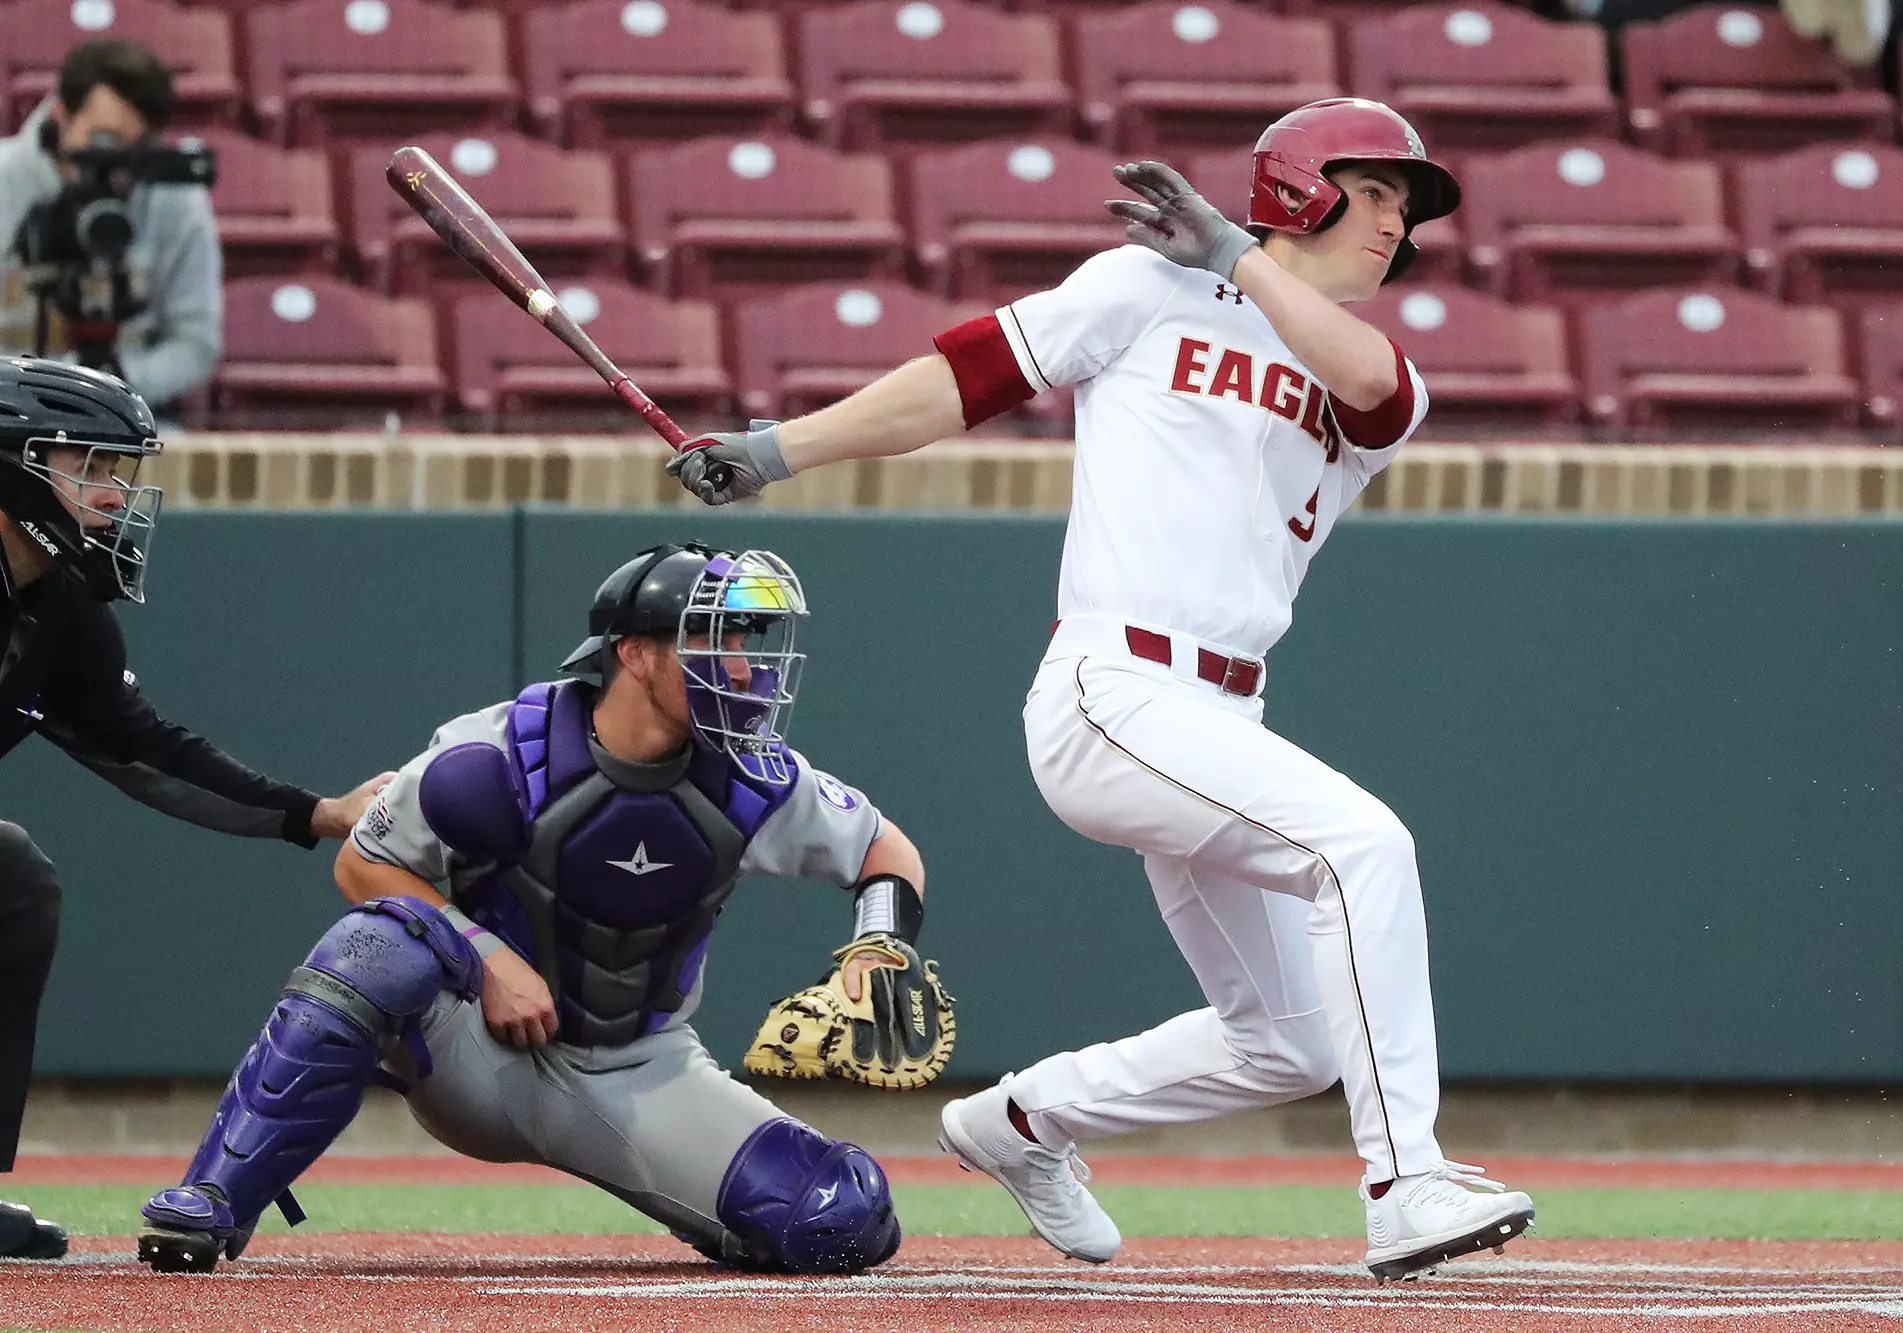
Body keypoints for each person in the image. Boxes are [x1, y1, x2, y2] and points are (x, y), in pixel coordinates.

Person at [664, 97, 1537, 1282]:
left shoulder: (1370, 373)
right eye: (1374, 190)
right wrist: (773, 451)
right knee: (1362, 846)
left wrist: (1233, 255)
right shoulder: (1137, 288)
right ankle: (1403, 1184)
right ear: (1300, 185)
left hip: (1219, 714)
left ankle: (1018, 1121)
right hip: (1114, 688)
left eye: (1402, 204)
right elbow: (954, 382)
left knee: (1286, 1041)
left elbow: (1372, 385)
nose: (1393, 220)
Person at [138, 542, 951, 1276]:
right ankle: (212, 1197)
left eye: (743, 639)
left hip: (638, 1064)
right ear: (634, 653)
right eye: (714, 637)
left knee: (843, 1216)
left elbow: (888, 851)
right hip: (474, 1051)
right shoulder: (494, 755)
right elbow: (363, 864)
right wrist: (486, 956)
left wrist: (878, 945)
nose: (740, 663)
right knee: (373, 947)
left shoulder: (756, 773)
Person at [0, 356, 386, 1259]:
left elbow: (146, 750)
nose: (108, 494)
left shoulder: (59, 612)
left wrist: (315, 812)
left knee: (12, 878)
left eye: (115, 472)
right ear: (12, 462)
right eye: (85, 467)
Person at [0, 39, 222, 408]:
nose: (116, 167)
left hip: (126, 415)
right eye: (103, 141)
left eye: (135, 148)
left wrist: (104, 392)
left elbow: (196, 344)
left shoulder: (176, 198)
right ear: (59, 118)